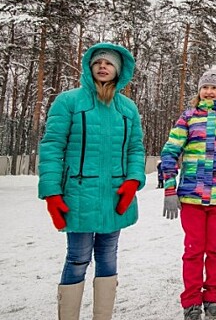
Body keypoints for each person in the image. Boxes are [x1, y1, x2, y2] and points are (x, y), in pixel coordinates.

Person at [37, 42, 145, 320]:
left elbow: (135, 148)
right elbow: (52, 146)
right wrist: (52, 193)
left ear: (119, 70)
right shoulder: (69, 101)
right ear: (89, 67)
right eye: (98, 62)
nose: (103, 66)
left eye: (109, 63)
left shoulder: (127, 108)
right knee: (77, 258)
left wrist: (133, 180)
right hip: (78, 194)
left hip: (115, 197)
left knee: (108, 257)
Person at [160, 66, 216, 320]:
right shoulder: (188, 117)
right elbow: (169, 152)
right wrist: (169, 189)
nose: (209, 91)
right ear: (199, 90)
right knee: (193, 250)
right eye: (205, 87)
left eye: (215, 87)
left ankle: (212, 299)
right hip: (191, 197)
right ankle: (191, 302)